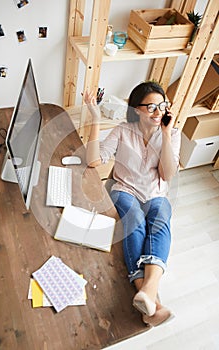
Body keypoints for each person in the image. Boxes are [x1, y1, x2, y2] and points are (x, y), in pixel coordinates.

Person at [84, 81, 181, 327]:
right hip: (124, 190)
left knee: (160, 219)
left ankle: (147, 298)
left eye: (162, 105)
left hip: (155, 194)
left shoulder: (173, 134)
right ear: (136, 109)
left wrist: (167, 135)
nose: (158, 112)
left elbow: (167, 175)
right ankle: (150, 295)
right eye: (151, 107)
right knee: (135, 219)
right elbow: (94, 159)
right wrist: (95, 117)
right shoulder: (123, 131)